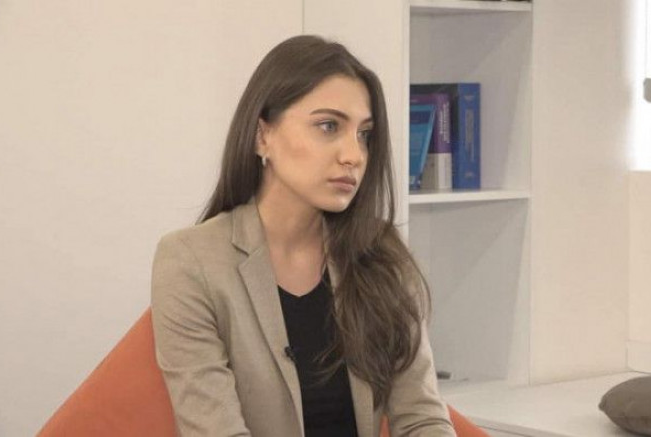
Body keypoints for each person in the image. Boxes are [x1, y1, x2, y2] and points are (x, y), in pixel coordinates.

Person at [150, 35, 455, 437]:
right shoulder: (190, 261)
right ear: (262, 136)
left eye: (364, 134)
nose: (353, 155)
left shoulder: (380, 254)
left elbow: (422, 418)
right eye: (328, 126)